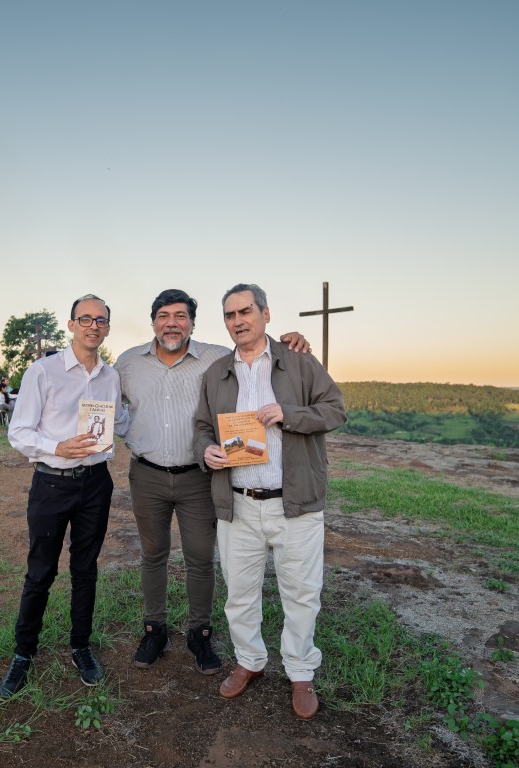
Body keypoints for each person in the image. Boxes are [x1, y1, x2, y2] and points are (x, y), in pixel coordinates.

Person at [115, 288, 311, 675]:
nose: (172, 323)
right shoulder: (126, 363)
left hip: (199, 477)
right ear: (152, 321)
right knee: (153, 555)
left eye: (181, 316)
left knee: (201, 558)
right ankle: (154, 628)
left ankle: (199, 633)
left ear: (193, 322)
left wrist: (292, 341)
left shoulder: (217, 358)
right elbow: (101, 401)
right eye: (163, 316)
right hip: (148, 475)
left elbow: (255, 350)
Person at [193, 283, 345, 721]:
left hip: (294, 504)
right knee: (239, 593)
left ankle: (300, 672)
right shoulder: (217, 372)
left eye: (245, 311)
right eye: (229, 315)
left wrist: (289, 414)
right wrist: (207, 449)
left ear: (265, 314)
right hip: (238, 503)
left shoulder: (297, 360)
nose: (237, 321)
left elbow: (335, 409)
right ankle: (250, 661)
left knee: (301, 593)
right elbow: (203, 426)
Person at [0, 294, 128, 698]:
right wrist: (58, 447)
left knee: (85, 568)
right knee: (41, 571)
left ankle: (81, 647)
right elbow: (19, 432)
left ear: (107, 327)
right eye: (85, 319)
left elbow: (120, 421)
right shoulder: (44, 371)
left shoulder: (111, 377)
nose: (94, 326)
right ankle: (23, 654)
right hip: (52, 483)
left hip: (96, 483)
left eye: (101, 320)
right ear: (71, 325)